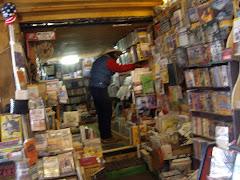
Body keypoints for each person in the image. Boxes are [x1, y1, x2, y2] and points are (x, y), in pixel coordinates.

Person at [89, 48, 139, 144]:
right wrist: (134, 65)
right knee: (107, 111)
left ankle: (104, 136)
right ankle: (107, 137)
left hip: (94, 88)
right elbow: (119, 68)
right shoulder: (109, 61)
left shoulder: (99, 61)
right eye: (117, 55)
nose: (117, 57)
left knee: (101, 113)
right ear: (113, 54)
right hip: (100, 88)